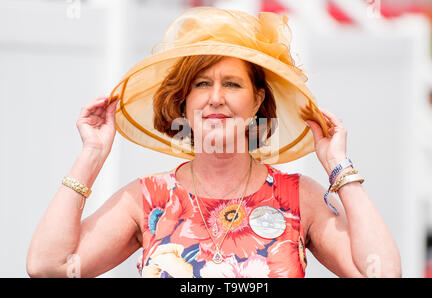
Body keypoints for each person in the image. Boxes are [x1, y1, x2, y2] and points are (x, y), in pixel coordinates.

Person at [26, 7, 401, 278]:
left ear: (257, 100)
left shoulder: (298, 197)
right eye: (202, 84)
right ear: (184, 103)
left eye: (232, 84)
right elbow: (48, 267)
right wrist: (91, 155)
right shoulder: (146, 199)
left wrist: (339, 165)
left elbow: (383, 273)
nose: (216, 97)